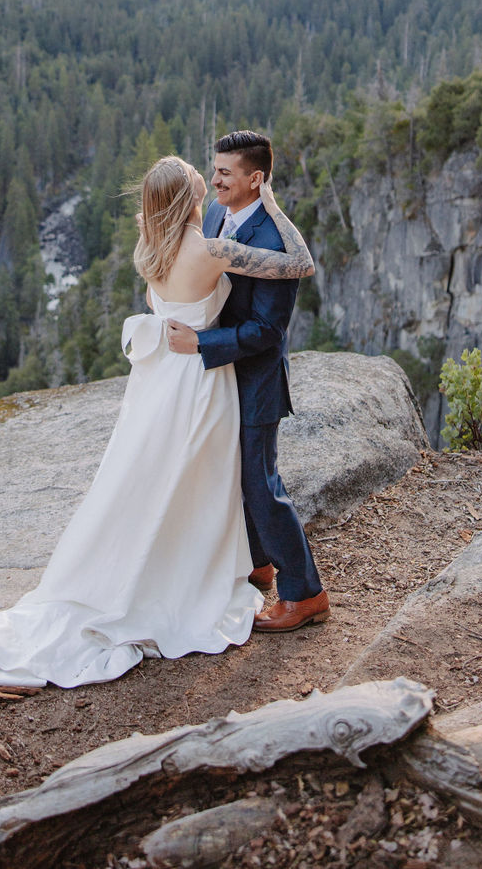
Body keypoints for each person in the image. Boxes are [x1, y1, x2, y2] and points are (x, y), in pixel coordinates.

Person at [0, 154, 315, 688]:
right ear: (188, 197)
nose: (210, 177)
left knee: (152, 473)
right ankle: (224, 570)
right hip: (199, 380)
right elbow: (297, 262)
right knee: (205, 477)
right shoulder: (208, 249)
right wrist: (269, 202)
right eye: (201, 178)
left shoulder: (150, 245)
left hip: (159, 381)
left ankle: (231, 560)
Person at [167, 130, 328, 632]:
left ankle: (305, 595)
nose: (214, 180)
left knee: (263, 487)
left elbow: (267, 330)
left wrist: (202, 345)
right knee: (232, 476)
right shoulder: (215, 215)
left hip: (255, 379)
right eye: (213, 169)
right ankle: (257, 563)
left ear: (255, 179)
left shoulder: (274, 239)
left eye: (225, 173)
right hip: (218, 381)